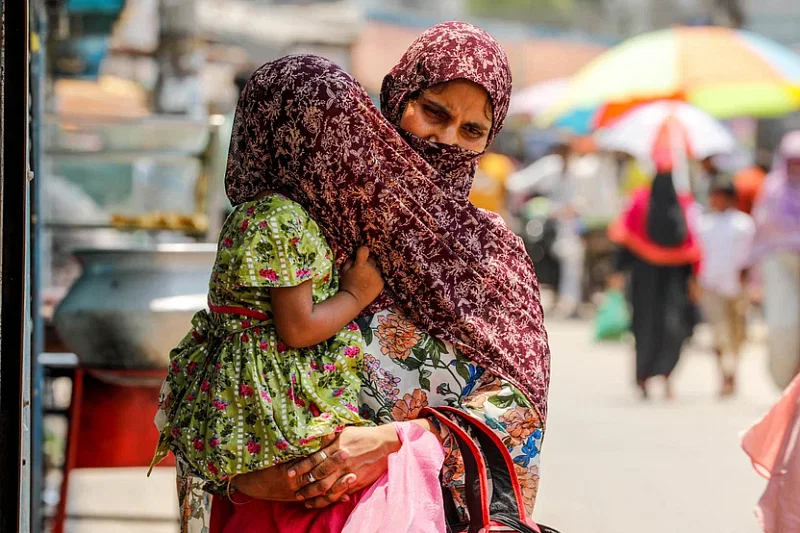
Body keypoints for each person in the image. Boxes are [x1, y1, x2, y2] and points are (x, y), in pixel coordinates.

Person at [168, 23, 549, 533]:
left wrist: (393, 443)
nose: (447, 139)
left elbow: (518, 410)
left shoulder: (490, 257)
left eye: (472, 130)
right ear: (395, 99)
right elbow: (217, 373)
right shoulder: (297, 227)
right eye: (434, 112)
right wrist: (251, 479)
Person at [608, 171, 701, 400]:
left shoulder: (682, 206)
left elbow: (690, 244)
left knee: (674, 329)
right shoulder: (640, 203)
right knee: (644, 329)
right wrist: (617, 271)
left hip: (672, 282)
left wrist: (693, 280)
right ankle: (644, 378)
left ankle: (666, 376)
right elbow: (625, 241)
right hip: (644, 282)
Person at [506, 142, 586, 317]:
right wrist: (539, 207)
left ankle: (569, 302)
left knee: (572, 258)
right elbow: (515, 183)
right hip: (541, 227)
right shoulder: (551, 166)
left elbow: (580, 201)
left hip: (566, 228)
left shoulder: (577, 169)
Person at [748, 131, 800, 389]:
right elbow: (760, 233)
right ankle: (786, 385)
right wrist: (752, 278)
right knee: (784, 327)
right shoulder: (772, 188)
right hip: (780, 262)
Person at [697, 181, 755, 397]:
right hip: (712, 285)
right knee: (719, 334)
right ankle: (723, 375)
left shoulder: (744, 224)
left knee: (738, 334)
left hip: (738, 288)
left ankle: (734, 371)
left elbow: (750, 257)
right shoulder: (704, 224)